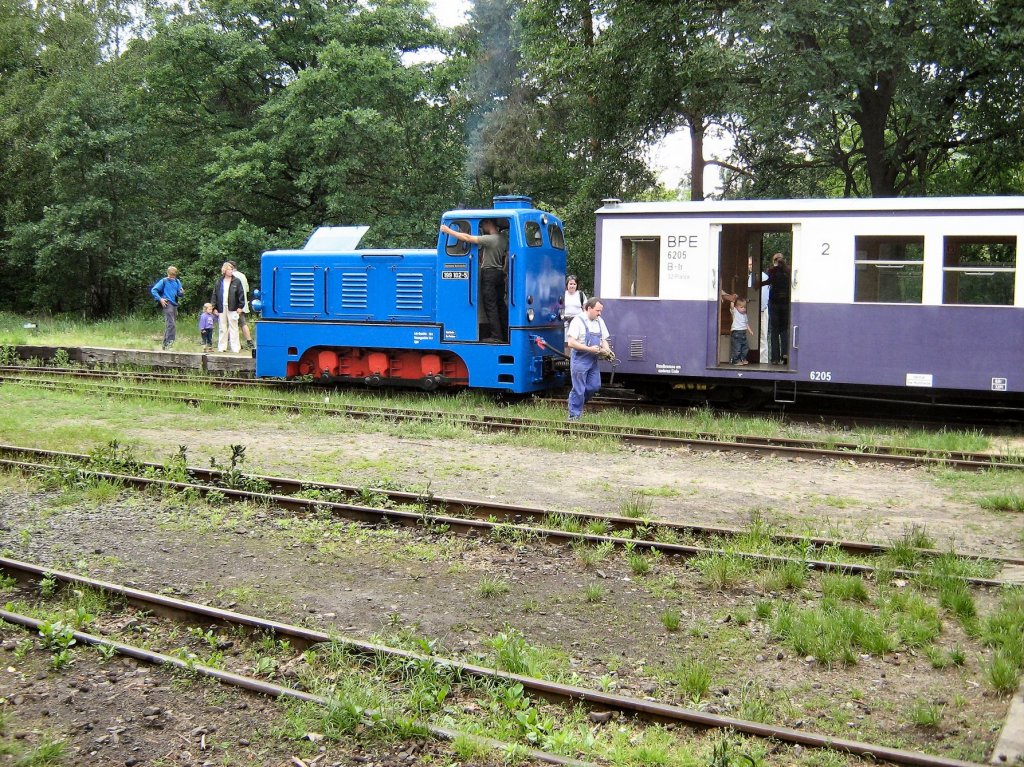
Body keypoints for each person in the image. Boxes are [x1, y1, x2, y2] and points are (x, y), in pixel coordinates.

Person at [440, 219, 508, 343]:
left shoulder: (490, 239)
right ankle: (505, 334)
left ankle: (496, 337)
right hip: (499, 274)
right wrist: (504, 270)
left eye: (483, 225)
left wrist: (448, 230)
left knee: (490, 306)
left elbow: (468, 238)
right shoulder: (503, 239)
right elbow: (507, 255)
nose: (482, 228)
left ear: (489, 223)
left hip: (489, 274)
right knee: (500, 305)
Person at [566, 297, 612, 421]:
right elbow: (571, 343)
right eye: (597, 310)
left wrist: (607, 351)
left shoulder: (599, 321)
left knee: (594, 386)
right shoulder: (578, 321)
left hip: (593, 360)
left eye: (600, 311)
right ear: (589, 308)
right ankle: (574, 416)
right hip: (580, 359)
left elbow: (604, 340)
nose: (600, 313)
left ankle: (574, 402)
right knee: (579, 389)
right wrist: (589, 349)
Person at [762, 253, 791, 365]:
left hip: (774, 303)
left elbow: (769, 281)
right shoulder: (788, 271)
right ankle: (785, 356)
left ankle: (775, 358)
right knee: (784, 330)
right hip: (785, 304)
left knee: (774, 331)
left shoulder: (772, 271)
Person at [211, 262, 245, 353]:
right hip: (221, 306)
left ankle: (235, 347)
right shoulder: (219, 281)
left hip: (233, 307)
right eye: (230, 269)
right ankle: (222, 347)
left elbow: (241, 294)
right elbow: (215, 294)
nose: (231, 271)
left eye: (232, 269)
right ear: (225, 270)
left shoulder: (237, 281)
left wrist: (241, 306)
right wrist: (214, 307)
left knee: (234, 327)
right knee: (222, 327)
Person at [151, 266, 184, 350]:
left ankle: (165, 345)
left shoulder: (177, 281)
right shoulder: (164, 281)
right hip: (167, 303)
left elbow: (180, 294)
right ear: (167, 273)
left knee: (170, 324)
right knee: (171, 324)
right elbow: (154, 290)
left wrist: (182, 292)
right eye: (170, 275)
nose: (172, 277)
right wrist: (160, 299)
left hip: (174, 304)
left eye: (173, 275)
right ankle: (170, 343)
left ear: (175, 275)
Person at [721, 292, 754, 365]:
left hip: (743, 333)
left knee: (745, 347)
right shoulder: (735, 312)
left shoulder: (745, 315)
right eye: (741, 307)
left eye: (744, 307)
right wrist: (733, 300)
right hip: (736, 333)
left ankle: (742, 359)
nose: (743, 309)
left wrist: (750, 330)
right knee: (737, 348)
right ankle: (736, 360)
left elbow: (746, 324)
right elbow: (732, 307)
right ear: (736, 307)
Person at [228, 261, 254, 350]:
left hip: (233, 304)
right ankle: (249, 342)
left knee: (231, 324)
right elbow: (246, 289)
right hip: (242, 304)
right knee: (243, 323)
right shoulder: (242, 275)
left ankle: (232, 342)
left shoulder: (231, 276)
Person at [562, 275, 587, 344]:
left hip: (577, 322)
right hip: (565, 322)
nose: (572, 286)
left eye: (574, 284)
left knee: (577, 342)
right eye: (570, 284)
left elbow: (585, 309)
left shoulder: (581, 294)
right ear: (567, 284)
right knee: (566, 343)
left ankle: (575, 355)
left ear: (577, 285)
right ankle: (566, 355)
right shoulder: (563, 294)